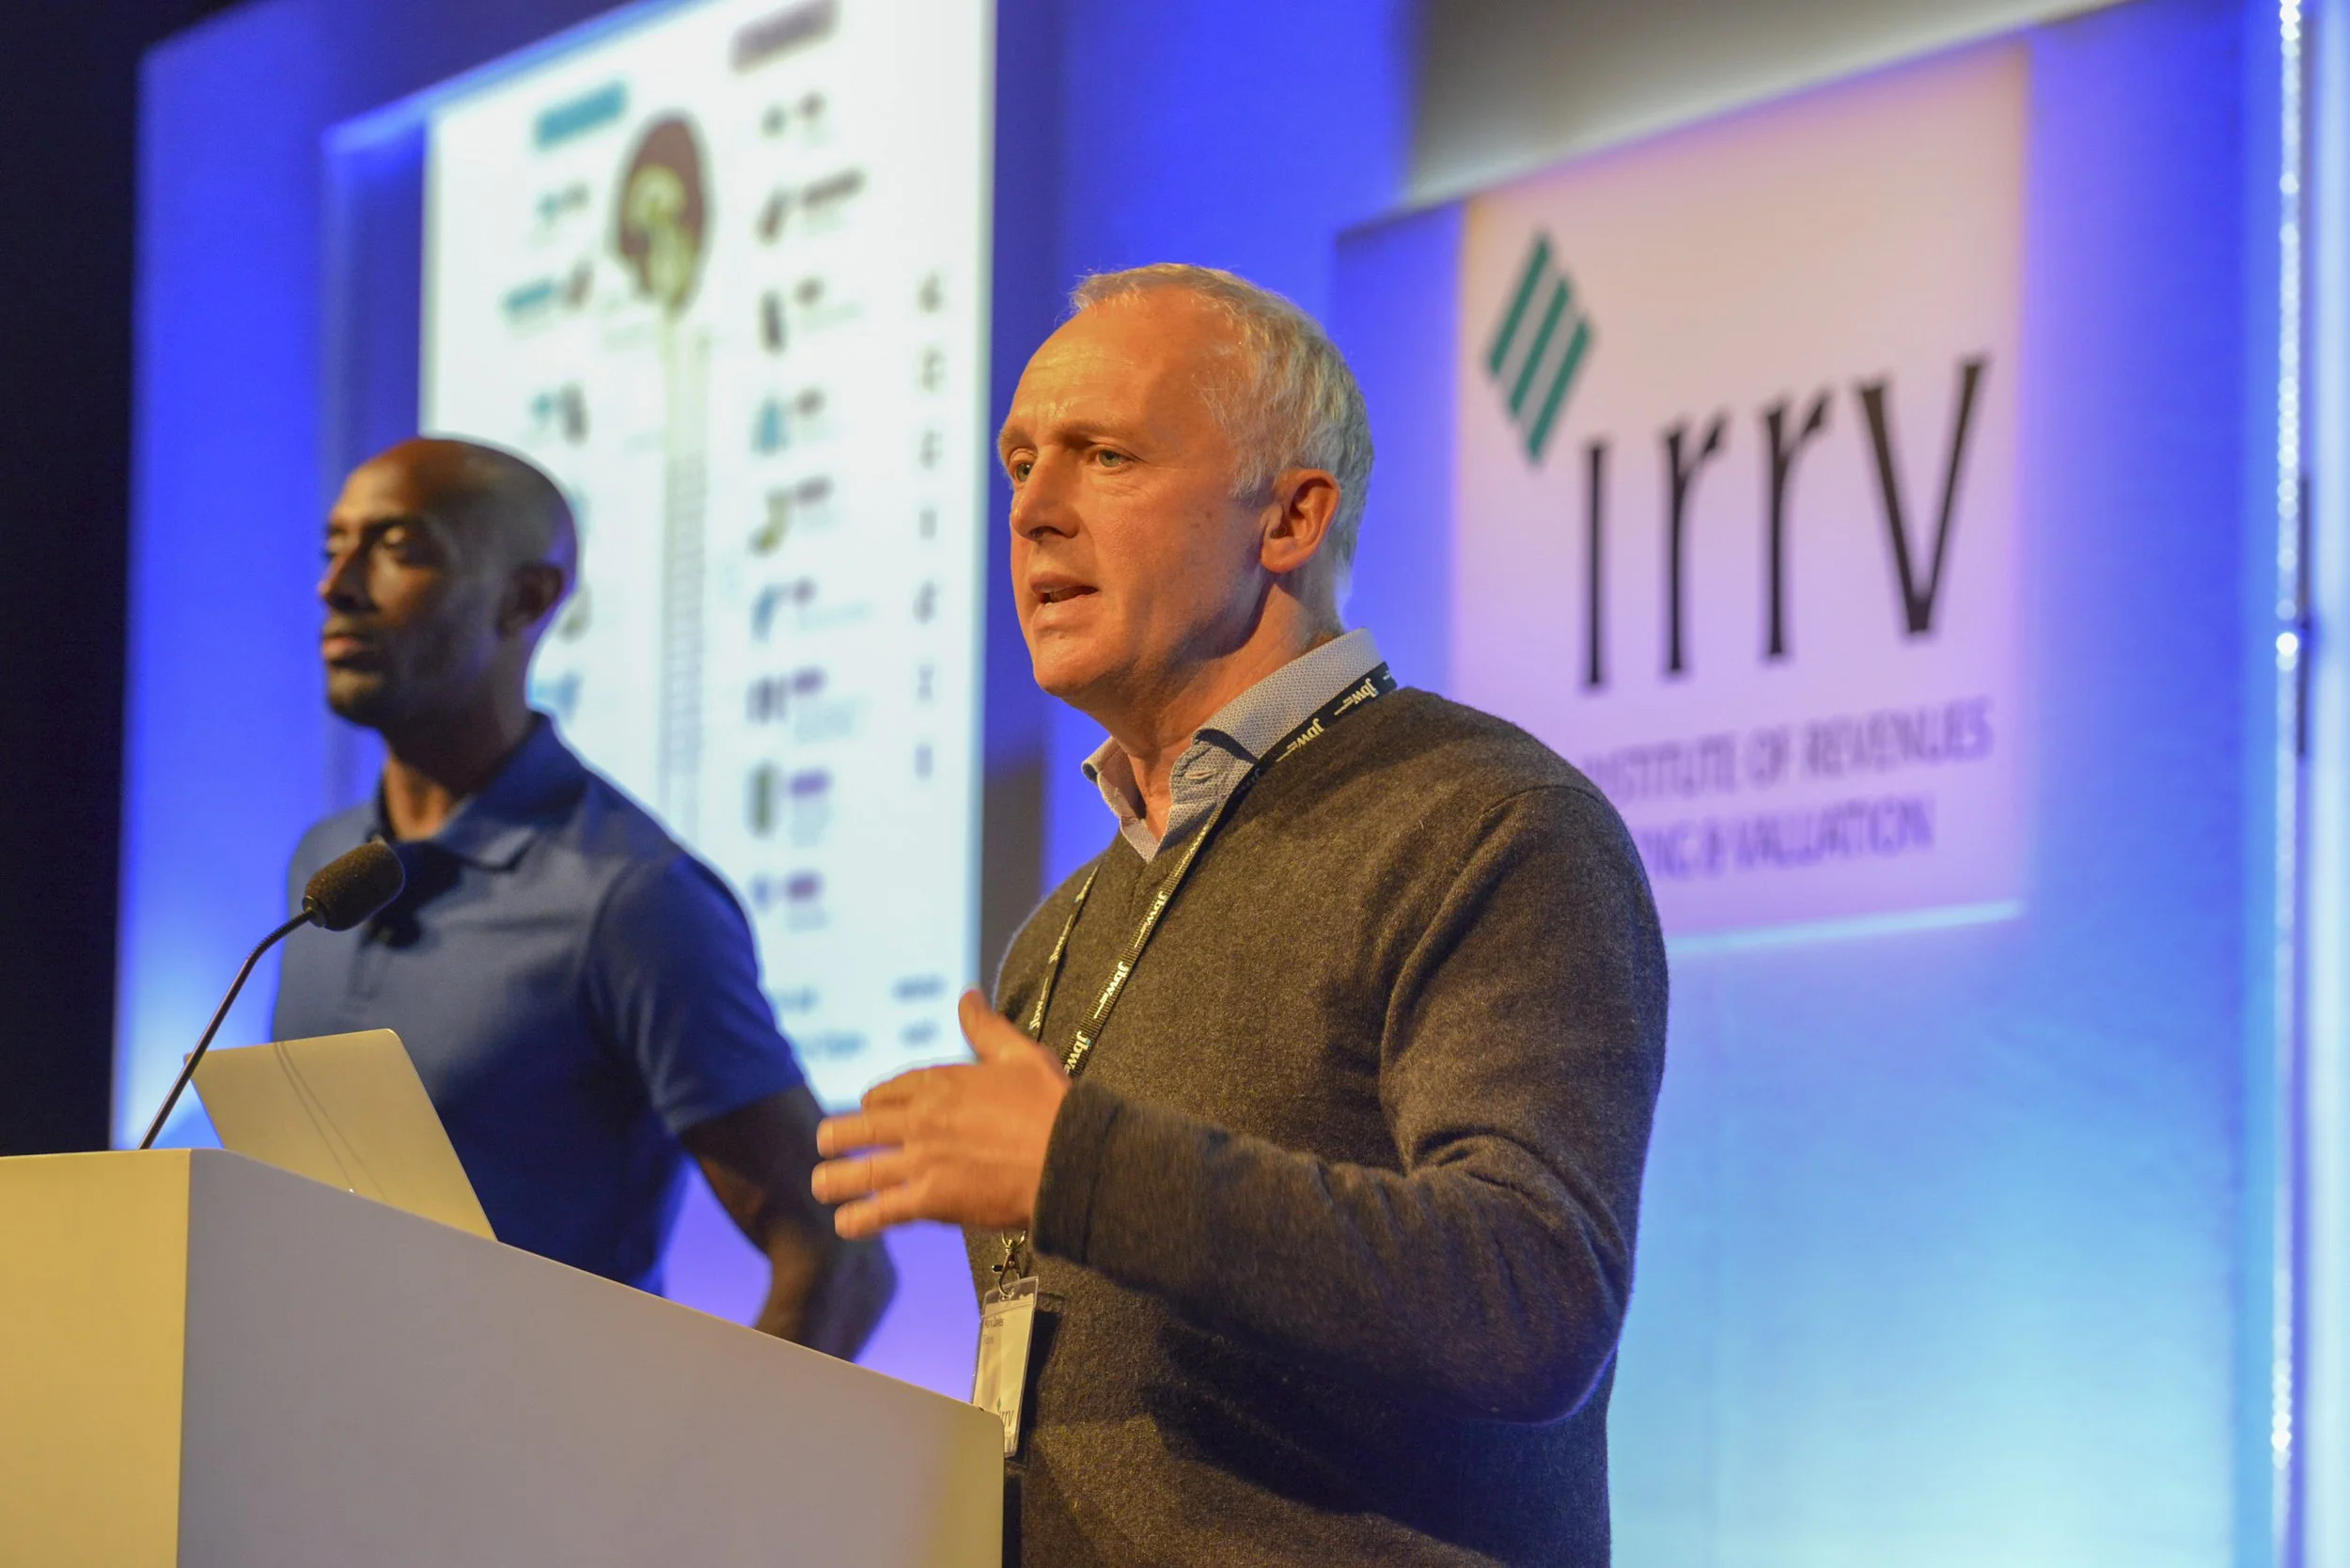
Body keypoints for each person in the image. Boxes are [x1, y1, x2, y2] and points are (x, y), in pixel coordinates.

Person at [811, 264, 1668, 1564]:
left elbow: (1531, 1295)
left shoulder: (1486, 823)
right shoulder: (1061, 932)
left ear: (1289, 519)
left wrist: (1084, 1168)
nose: (1033, 512)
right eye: (1019, 461)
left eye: (1103, 455)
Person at [274, 436, 893, 1356]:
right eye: (334, 548)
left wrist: (702, 1487)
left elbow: (839, 1260)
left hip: (529, 1482)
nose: (338, 586)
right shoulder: (327, 866)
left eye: (398, 548)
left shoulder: (631, 898)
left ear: (526, 599)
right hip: (302, 1449)